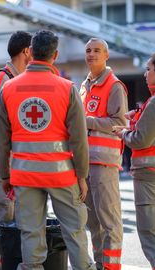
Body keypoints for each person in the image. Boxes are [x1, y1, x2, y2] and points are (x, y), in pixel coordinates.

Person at [0, 29, 95, 270]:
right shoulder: (67, 88)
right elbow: (79, 139)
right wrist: (82, 176)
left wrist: (5, 176)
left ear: (30, 53)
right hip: (61, 175)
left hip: (24, 175)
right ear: (55, 55)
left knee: (30, 233)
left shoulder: (8, 88)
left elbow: (2, 140)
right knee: (74, 232)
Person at [0, 30, 32, 270]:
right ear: (26, 52)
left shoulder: (18, 78)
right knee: (0, 213)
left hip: (14, 156)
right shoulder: (4, 78)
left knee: (12, 215)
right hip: (2, 155)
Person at [80, 38, 128, 270]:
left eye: (97, 50)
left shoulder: (114, 85)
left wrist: (86, 121)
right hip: (85, 163)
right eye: (88, 51)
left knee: (109, 221)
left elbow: (120, 123)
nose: (91, 54)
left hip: (105, 163)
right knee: (93, 221)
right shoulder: (84, 85)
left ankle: (111, 266)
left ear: (106, 55)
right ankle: (101, 264)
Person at [114, 53, 155, 270]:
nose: (145, 73)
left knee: (149, 232)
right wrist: (137, 117)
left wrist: (124, 133)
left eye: (149, 68)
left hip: (148, 174)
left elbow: (141, 140)